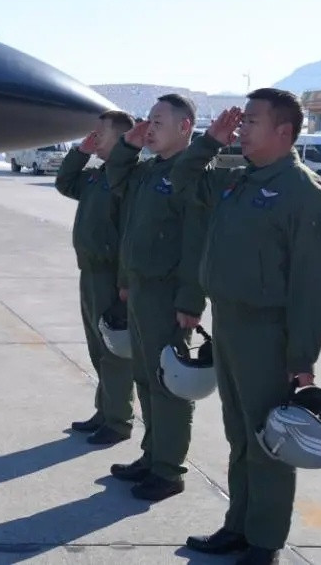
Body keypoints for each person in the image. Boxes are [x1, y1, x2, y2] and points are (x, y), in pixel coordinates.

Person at [170, 89, 321, 565]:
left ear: (283, 132)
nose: (242, 128)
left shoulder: (305, 194)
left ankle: (264, 543)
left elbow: (312, 286)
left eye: (252, 121)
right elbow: (181, 179)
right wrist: (209, 141)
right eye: (241, 120)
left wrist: (301, 359)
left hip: (270, 336)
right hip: (229, 326)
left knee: (270, 442)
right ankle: (239, 526)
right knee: (240, 435)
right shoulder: (237, 179)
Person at [104, 93, 208, 502]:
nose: (149, 128)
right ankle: (151, 455)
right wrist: (130, 141)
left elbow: (197, 243)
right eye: (147, 120)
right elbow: (115, 173)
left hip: (169, 296)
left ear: (185, 128)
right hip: (143, 290)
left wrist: (190, 301)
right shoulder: (149, 172)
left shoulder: (191, 174)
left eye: (158, 122)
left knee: (170, 384)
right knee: (145, 378)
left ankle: (168, 470)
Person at [54, 110, 137, 445]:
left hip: (110, 276)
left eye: (100, 133)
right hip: (88, 272)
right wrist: (80, 152)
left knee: (114, 351)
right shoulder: (96, 176)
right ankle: (105, 410)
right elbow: (64, 183)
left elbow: (130, 233)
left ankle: (118, 421)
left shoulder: (126, 178)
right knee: (96, 346)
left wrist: (124, 281)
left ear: (120, 138)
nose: (95, 137)